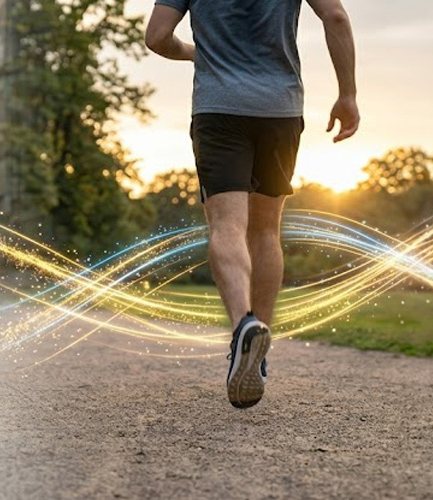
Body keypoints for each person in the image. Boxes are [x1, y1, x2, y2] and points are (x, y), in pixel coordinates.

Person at [146, 0, 359, 408]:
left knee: (227, 225)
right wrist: (347, 94)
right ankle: (257, 351)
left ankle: (244, 326)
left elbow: (156, 37)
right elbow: (335, 16)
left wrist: (194, 52)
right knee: (265, 230)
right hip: (279, 109)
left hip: (219, 108)